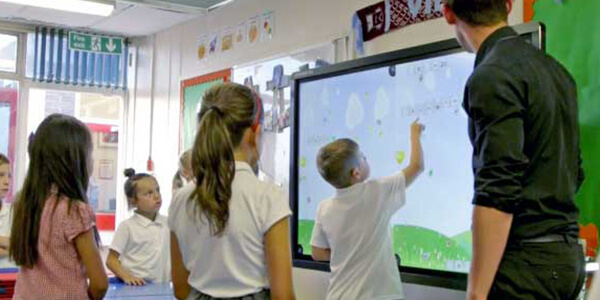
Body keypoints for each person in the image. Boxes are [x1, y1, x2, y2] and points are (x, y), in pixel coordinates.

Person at [442, 1, 586, 299]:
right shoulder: (559, 74)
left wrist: (476, 294)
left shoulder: (491, 75)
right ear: (508, 5)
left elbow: (498, 191)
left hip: (524, 268)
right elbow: (575, 171)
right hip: (566, 261)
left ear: (448, 12)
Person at [169, 83, 295, 300]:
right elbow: (283, 296)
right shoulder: (267, 197)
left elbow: (180, 289)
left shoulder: (181, 199)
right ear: (253, 134)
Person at [311, 120, 424, 300]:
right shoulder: (377, 190)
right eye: (363, 157)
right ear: (356, 173)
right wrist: (415, 133)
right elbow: (417, 166)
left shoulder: (324, 208)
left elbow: (317, 253)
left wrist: (347, 251)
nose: (366, 159)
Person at [9, 114, 108, 299]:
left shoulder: (24, 202)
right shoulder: (74, 210)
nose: (92, 161)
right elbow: (100, 283)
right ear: (75, 161)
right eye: (89, 154)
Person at [106, 168, 170, 285]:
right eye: (149, 193)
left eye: (157, 190)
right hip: (137, 289)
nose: (156, 196)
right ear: (133, 201)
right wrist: (127, 277)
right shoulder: (127, 227)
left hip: (162, 289)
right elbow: (111, 260)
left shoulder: (168, 223)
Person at [0, 154, 14, 268]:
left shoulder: (14, 212)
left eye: (9, 176)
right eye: (1, 175)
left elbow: (24, 248)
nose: (7, 182)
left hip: (11, 280)